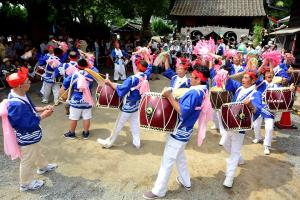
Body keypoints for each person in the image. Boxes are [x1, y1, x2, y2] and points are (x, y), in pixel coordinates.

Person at [143, 65, 211, 199]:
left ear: (199, 79)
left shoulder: (194, 93)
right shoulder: (203, 89)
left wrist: (169, 96)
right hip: (185, 131)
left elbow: (182, 111)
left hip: (179, 131)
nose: (191, 78)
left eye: (193, 77)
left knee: (167, 161)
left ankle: (159, 191)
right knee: (180, 158)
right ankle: (186, 182)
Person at [1, 67, 57, 192]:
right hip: (27, 136)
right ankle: (26, 184)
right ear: (20, 85)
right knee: (27, 159)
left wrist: (42, 108)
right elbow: (26, 124)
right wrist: (44, 115)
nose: (30, 82)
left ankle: (43, 166)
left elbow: (31, 107)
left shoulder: (18, 94)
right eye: (27, 81)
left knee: (37, 150)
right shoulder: (16, 105)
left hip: (33, 135)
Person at [97, 56, 152, 149]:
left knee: (118, 125)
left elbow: (121, 91)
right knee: (134, 124)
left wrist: (109, 82)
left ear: (136, 67)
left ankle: (109, 143)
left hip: (128, 107)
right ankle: (137, 143)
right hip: (137, 105)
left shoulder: (132, 79)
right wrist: (146, 55)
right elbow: (149, 67)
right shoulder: (145, 75)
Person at [221, 72, 262, 188]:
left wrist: (251, 105)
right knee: (225, 144)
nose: (243, 79)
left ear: (253, 81)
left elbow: (257, 111)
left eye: (246, 78)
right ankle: (239, 158)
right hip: (230, 122)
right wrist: (226, 75)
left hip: (241, 125)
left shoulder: (255, 93)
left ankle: (229, 177)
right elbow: (229, 83)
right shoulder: (239, 89)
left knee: (234, 151)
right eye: (243, 77)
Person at [61, 59, 94, 139]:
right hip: (87, 99)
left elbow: (64, 86)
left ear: (77, 66)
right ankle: (86, 133)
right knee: (86, 117)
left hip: (76, 100)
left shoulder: (73, 75)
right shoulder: (90, 75)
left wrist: (62, 96)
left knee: (73, 117)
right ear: (87, 66)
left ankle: (72, 133)